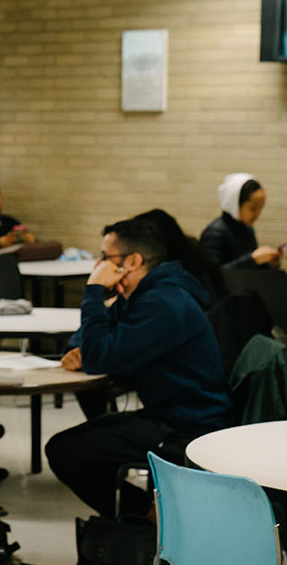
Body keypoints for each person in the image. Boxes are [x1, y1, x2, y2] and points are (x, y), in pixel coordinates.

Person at [46, 219, 232, 518]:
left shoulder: (162, 302)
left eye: (106, 258)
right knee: (72, 441)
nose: (99, 265)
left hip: (188, 427)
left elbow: (98, 356)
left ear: (132, 261)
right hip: (169, 415)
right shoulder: (147, 293)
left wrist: (94, 290)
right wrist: (75, 350)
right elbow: (89, 341)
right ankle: (147, 515)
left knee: (66, 452)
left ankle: (152, 519)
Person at [199, 173, 282, 270]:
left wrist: (268, 263)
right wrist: (252, 259)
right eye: (253, 208)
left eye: (261, 208)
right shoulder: (214, 233)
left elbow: (249, 272)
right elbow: (212, 276)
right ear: (235, 204)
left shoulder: (247, 229)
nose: (258, 215)